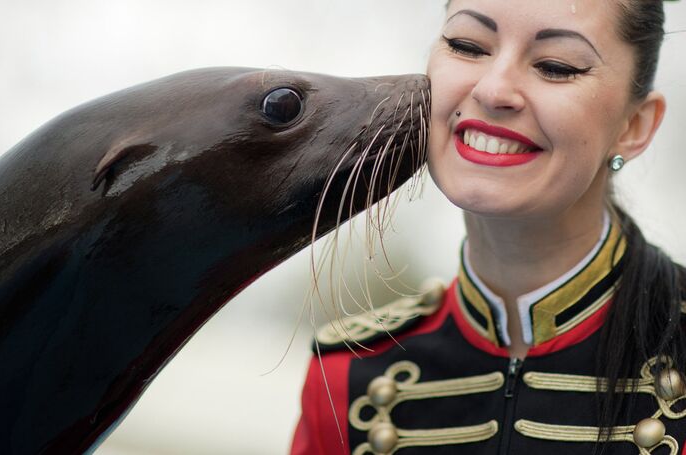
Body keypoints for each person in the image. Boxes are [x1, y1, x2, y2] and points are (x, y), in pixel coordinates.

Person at [290, 0, 686, 454]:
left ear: (634, 125)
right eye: (467, 46)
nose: (494, 90)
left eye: (556, 67)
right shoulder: (348, 376)